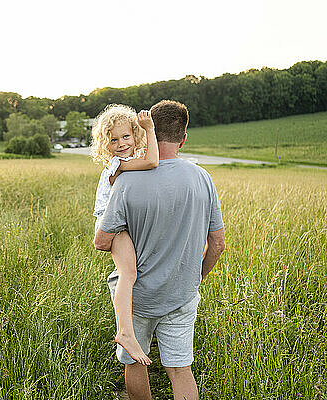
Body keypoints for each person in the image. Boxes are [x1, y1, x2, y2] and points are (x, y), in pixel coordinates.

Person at [94, 100, 226, 400]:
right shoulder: (203, 179)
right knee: (181, 370)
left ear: (143, 132)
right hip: (181, 293)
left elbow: (102, 240)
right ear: (183, 138)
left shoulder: (127, 180)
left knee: (134, 364)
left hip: (137, 297)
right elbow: (217, 244)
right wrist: (195, 278)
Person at [91, 104, 159, 365]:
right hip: (111, 224)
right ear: (105, 144)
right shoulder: (118, 164)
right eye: (113, 139)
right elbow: (152, 161)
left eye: (126, 137)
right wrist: (149, 129)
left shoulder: (129, 161)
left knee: (131, 273)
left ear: (134, 135)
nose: (120, 143)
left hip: (119, 223)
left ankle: (132, 330)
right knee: (127, 274)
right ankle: (126, 332)